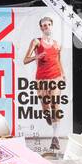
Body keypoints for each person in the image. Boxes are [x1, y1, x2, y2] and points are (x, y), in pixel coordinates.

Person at [23, 15, 65, 151]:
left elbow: (59, 61)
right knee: (46, 106)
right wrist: (37, 56)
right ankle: (47, 114)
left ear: (52, 26)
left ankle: (55, 138)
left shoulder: (57, 44)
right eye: (44, 25)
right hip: (41, 78)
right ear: (41, 28)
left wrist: (63, 75)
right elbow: (25, 59)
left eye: (48, 24)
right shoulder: (36, 41)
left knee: (56, 104)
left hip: (56, 77)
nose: (46, 27)